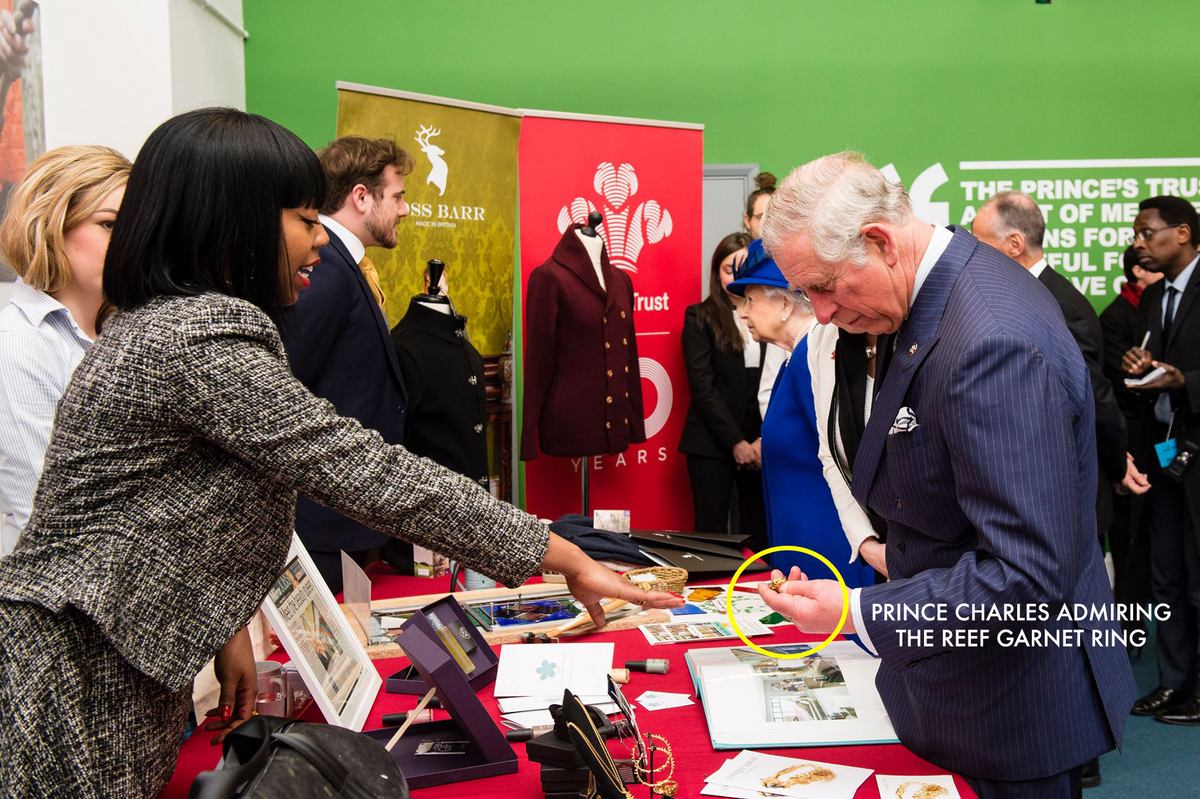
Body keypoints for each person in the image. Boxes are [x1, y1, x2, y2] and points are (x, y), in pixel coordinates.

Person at [0, 108, 680, 799]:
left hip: (108, 665)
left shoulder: (167, 325)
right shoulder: (197, 335)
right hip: (72, 682)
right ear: (236, 221)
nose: (318, 239)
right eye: (302, 216)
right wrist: (557, 552)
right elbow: (367, 470)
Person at [758, 152, 1136, 799]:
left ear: (879, 242)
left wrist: (855, 610)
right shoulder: (944, 291)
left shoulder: (989, 341)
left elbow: (1024, 574)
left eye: (823, 286)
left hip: (1013, 706)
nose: (819, 313)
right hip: (966, 686)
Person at [972, 191, 1149, 538]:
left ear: (1014, 243)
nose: (974, 254)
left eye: (980, 243)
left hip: (1070, 497)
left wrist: (1115, 464)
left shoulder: (1059, 303)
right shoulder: (1028, 293)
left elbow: (1093, 395)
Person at [279, 135, 413, 592]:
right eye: (397, 196)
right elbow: (285, 386)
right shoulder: (325, 269)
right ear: (361, 196)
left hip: (348, 515)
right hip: (322, 524)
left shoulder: (343, 266)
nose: (405, 209)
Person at [0, 145, 129, 556]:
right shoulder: (21, 343)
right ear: (51, 225)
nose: (130, 244)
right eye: (109, 225)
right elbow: (47, 513)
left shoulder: (123, 330)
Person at [726, 238, 875, 589]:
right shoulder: (796, 357)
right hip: (803, 551)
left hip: (831, 554)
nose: (743, 313)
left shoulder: (816, 357)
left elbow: (845, 456)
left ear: (783, 304)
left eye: (749, 300)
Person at [1120, 195, 1200, 726]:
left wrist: (1185, 382)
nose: (1139, 243)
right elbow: (1149, 360)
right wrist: (1141, 364)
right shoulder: (1152, 299)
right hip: (1165, 458)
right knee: (1167, 577)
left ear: (1184, 233)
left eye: (1148, 232)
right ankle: (1175, 684)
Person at [678, 231, 767, 549]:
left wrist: (759, 441)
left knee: (759, 529)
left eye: (745, 268)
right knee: (712, 532)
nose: (737, 277)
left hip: (761, 443)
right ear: (717, 271)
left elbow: (774, 384)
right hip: (712, 441)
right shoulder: (700, 316)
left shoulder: (771, 313)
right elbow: (703, 387)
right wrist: (736, 442)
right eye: (730, 269)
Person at [1101, 247, 1163, 645]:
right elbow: (1113, 387)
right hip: (1128, 445)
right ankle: (1131, 625)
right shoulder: (1113, 318)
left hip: (1167, 440)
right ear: (1139, 271)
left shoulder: (1167, 310)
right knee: (1128, 543)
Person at [807, 319, 889, 579]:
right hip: (882, 558)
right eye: (805, 293)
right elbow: (831, 454)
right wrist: (866, 544)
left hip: (949, 566)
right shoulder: (822, 334)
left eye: (824, 285)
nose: (819, 312)